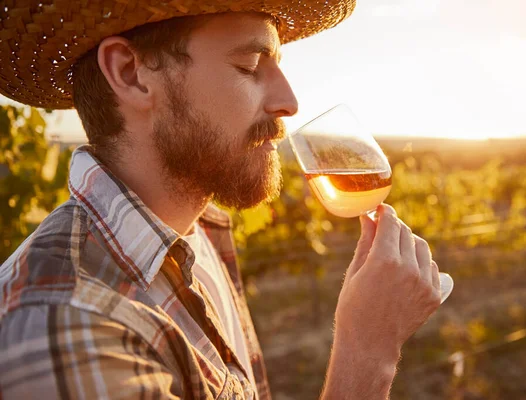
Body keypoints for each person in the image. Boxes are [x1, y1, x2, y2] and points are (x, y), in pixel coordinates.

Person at [0, 1, 442, 399]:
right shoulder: (65, 324)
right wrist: (367, 352)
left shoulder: (198, 232)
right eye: (250, 65)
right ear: (130, 74)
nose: (288, 102)